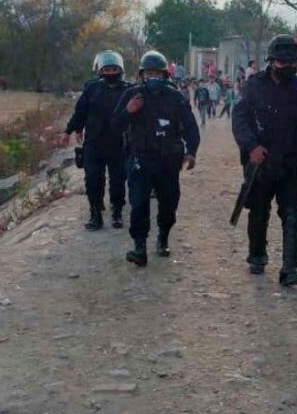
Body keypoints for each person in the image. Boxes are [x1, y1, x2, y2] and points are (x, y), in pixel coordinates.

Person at [232, 34, 297, 285]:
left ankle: (291, 268)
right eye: (281, 62)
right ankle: (257, 255)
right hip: (261, 162)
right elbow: (240, 119)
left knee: (294, 216)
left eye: (292, 63)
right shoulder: (254, 86)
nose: (287, 67)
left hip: (291, 163)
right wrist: (252, 146)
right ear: (271, 61)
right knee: (258, 212)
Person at [112, 50, 200, 267]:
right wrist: (129, 111)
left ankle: (163, 237)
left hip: (168, 161)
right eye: (149, 73)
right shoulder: (132, 96)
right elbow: (115, 125)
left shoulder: (175, 98)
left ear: (164, 75)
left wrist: (191, 152)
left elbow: (191, 127)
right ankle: (139, 246)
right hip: (140, 159)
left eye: (157, 74)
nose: (153, 78)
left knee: (169, 203)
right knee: (139, 203)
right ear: (142, 74)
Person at [63, 50, 129, 230]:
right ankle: (95, 214)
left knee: (118, 180)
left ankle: (116, 212)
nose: (110, 73)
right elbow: (80, 111)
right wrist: (69, 130)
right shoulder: (92, 89)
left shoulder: (128, 90)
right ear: (100, 71)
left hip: (118, 143)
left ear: (120, 70)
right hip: (94, 142)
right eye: (106, 70)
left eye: (114, 69)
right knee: (92, 179)